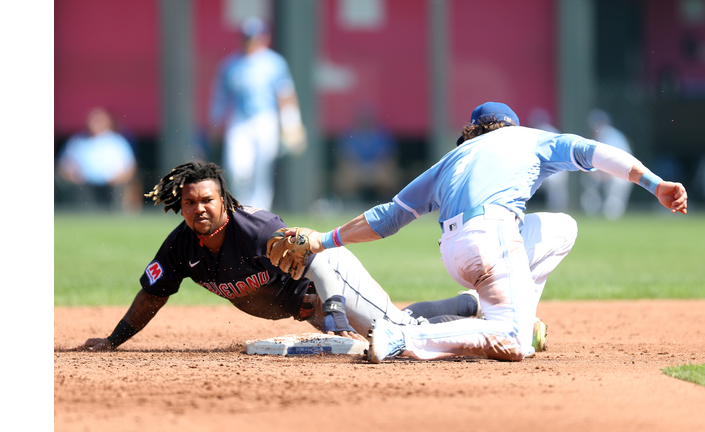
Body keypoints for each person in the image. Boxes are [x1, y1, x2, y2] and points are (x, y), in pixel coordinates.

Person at [282, 101, 688, 363]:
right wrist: (655, 184)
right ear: (510, 125)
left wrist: (325, 239)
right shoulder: (532, 138)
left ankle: (518, 314)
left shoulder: (452, 157)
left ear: (473, 131)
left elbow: (388, 217)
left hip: (456, 250)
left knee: (562, 228)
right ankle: (404, 336)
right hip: (493, 236)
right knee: (513, 342)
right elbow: (598, 155)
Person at [74, 161, 482, 351]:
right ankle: (466, 305)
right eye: (190, 201)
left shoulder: (257, 229)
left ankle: (481, 316)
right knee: (394, 326)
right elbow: (153, 294)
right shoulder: (180, 247)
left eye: (208, 200)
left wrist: (335, 309)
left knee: (395, 332)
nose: (199, 208)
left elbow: (315, 258)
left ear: (224, 200)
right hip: (307, 307)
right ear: (180, 206)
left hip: (330, 278)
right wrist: (113, 340)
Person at [208, 16, 306, 212]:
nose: (250, 42)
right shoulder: (231, 64)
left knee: (262, 172)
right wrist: (215, 123)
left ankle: (258, 214)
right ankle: (240, 209)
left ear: (264, 38)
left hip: (266, 119)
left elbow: (285, 95)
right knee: (237, 168)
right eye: (247, 37)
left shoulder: (274, 63)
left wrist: (292, 124)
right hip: (239, 119)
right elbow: (220, 97)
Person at [56, 107, 142, 213]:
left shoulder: (118, 142)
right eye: (93, 121)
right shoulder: (77, 141)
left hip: (111, 184)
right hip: (83, 184)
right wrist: (71, 175)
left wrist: (119, 178)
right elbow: (64, 165)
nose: (95, 124)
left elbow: (130, 167)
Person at [333, 105, 400, 206]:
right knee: (346, 175)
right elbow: (344, 158)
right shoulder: (348, 134)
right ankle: (351, 201)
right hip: (356, 169)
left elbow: (389, 157)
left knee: (388, 174)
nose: (365, 122)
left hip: (377, 168)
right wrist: (360, 170)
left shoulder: (383, 134)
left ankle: (384, 200)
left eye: (367, 119)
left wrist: (373, 169)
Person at [580, 109, 634, 220]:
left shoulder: (609, 135)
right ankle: (592, 211)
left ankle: (611, 218)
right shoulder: (600, 136)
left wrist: (601, 174)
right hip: (610, 171)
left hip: (625, 171)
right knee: (590, 180)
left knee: (614, 198)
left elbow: (617, 162)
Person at [528, 108, 568, 212]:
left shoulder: (547, 132)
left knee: (556, 193)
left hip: (557, 169)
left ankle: (556, 209)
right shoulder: (541, 132)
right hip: (548, 168)